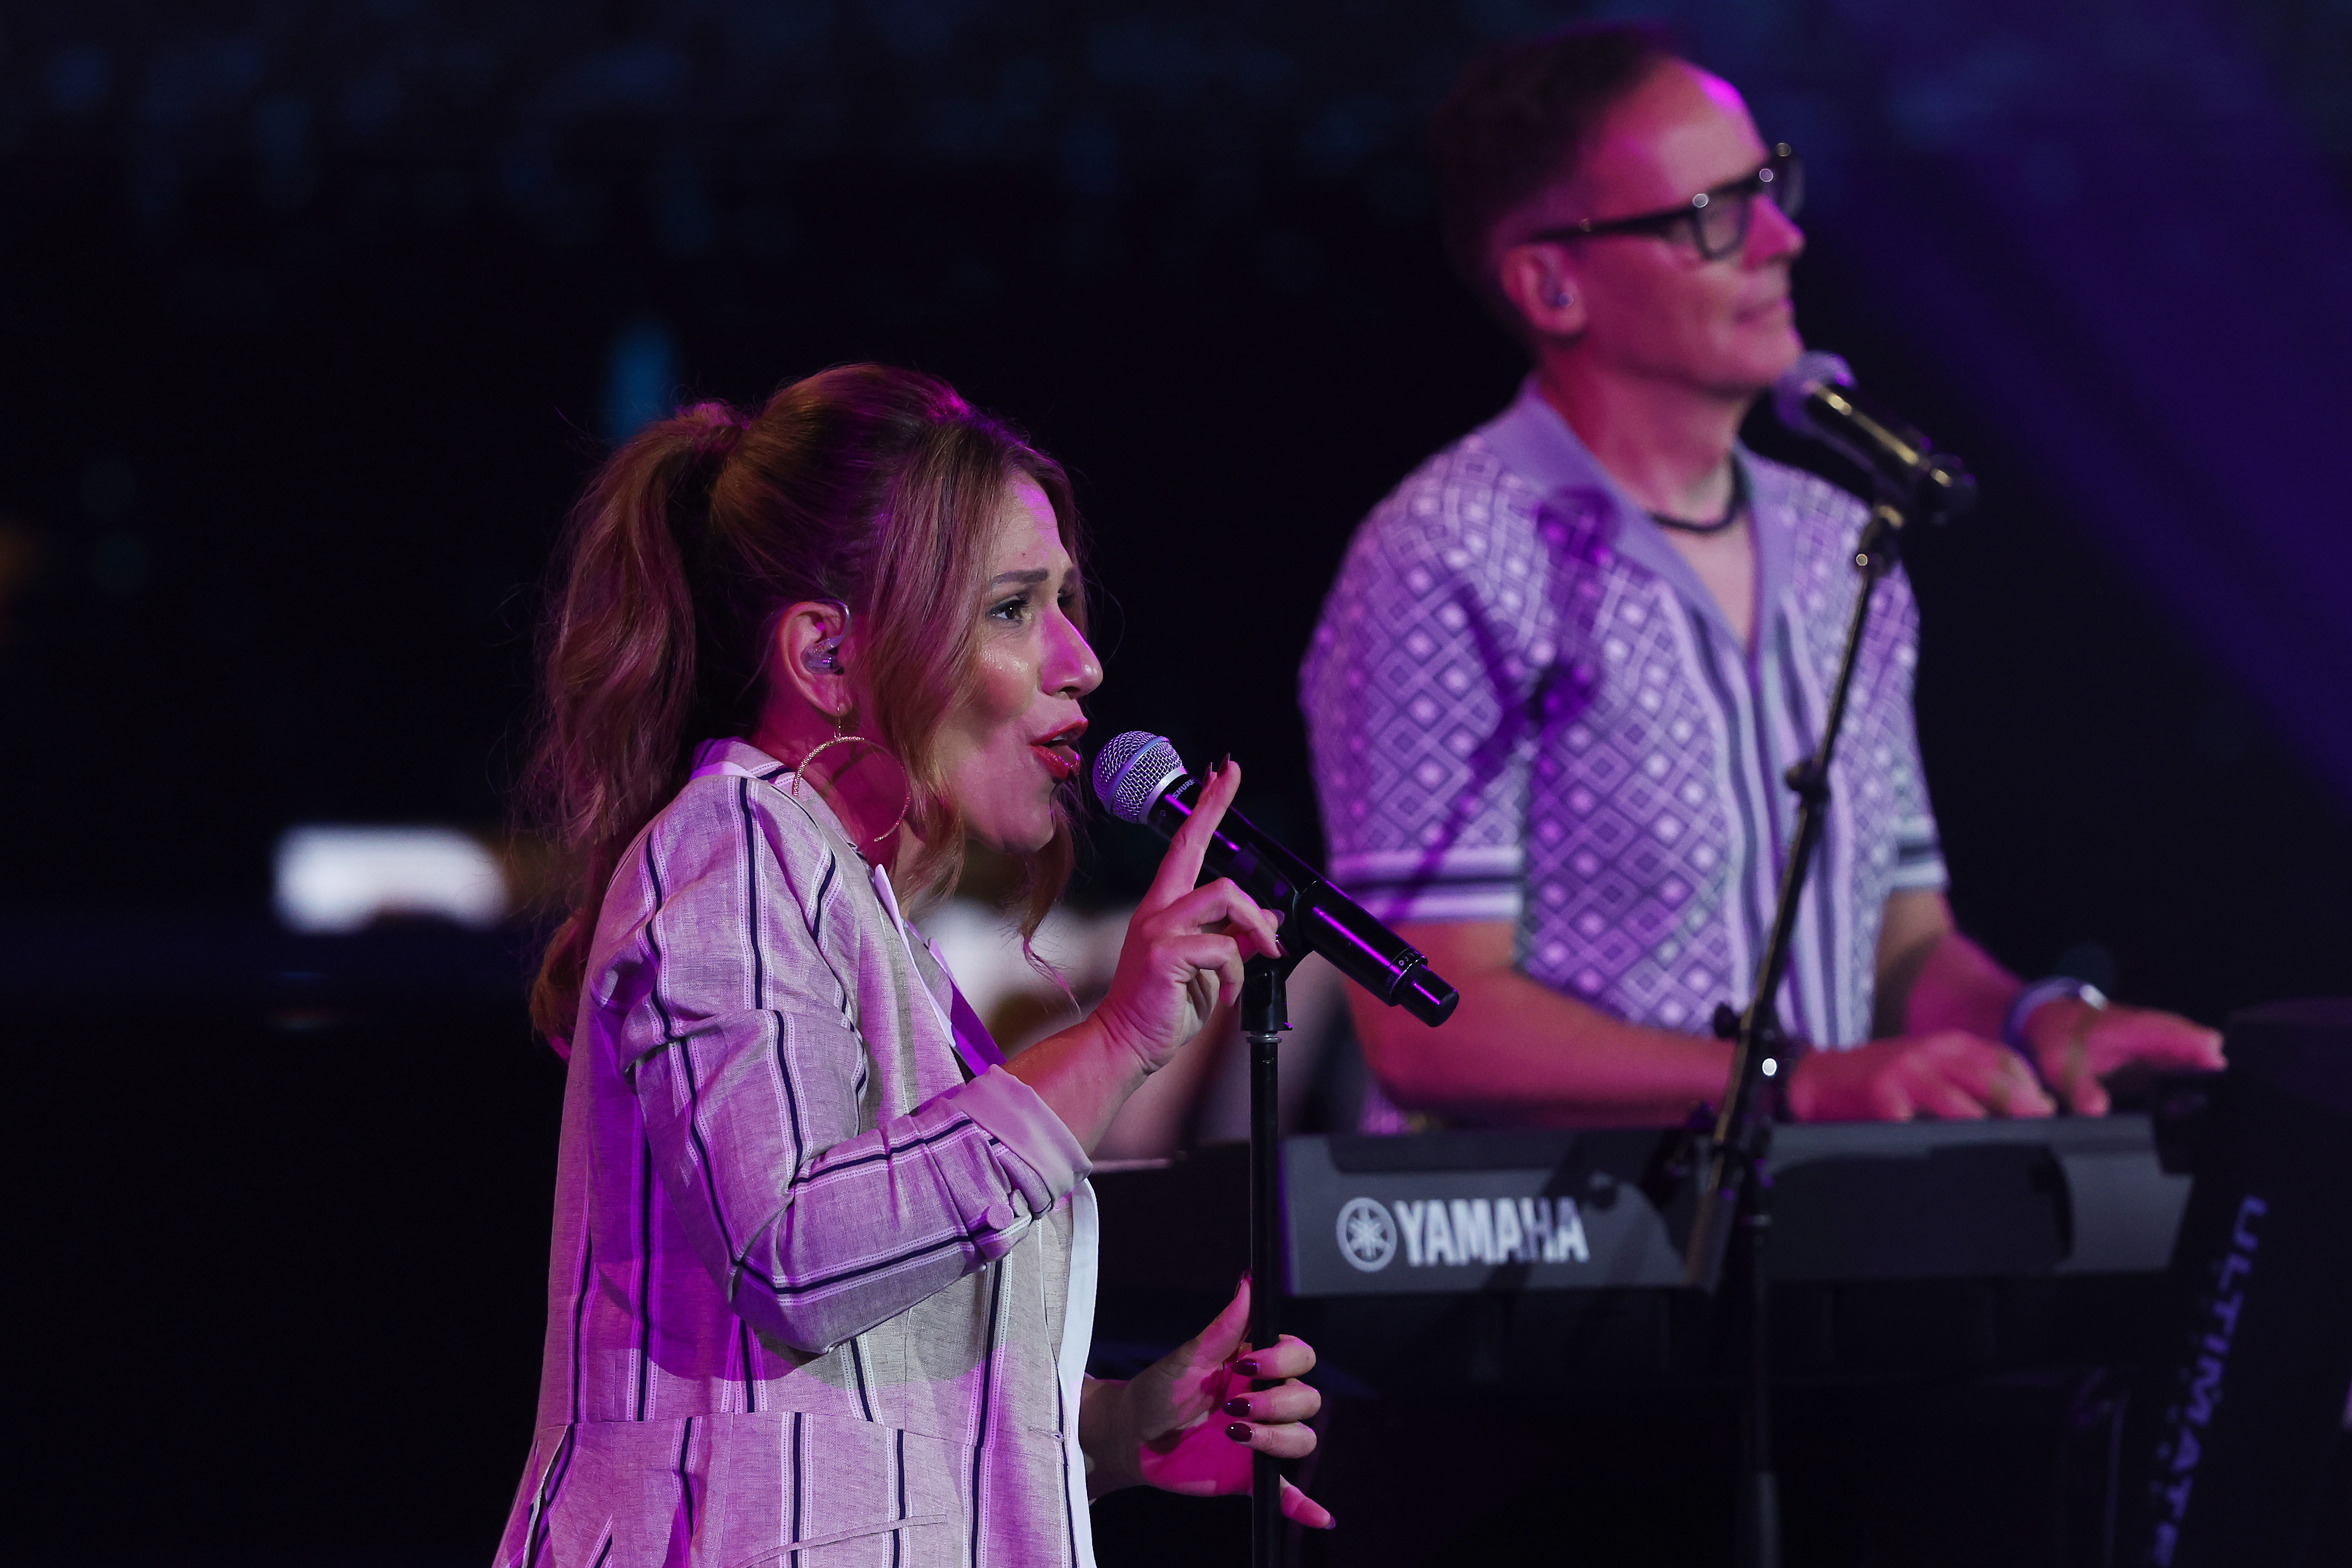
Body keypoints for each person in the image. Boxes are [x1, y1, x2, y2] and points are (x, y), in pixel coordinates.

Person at [1300, 24, 2226, 1134]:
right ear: (1551, 284)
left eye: (1769, 186)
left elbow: (1901, 947)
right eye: (1713, 215)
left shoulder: (1842, 542)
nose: (1781, 238)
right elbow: (1425, 1027)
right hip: (1555, 1277)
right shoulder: (1443, 553)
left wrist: (2036, 1019)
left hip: (1804, 1258)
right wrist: (1798, 1084)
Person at [498, 364, 1328, 1568]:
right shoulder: (730, 847)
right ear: (826, 656)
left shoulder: (848, 902)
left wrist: (1113, 1430)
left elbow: (858, 1376)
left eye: (1063, 601)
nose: (1079, 659)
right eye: (1010, 608)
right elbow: (788, 1248)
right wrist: (1108, 1044)